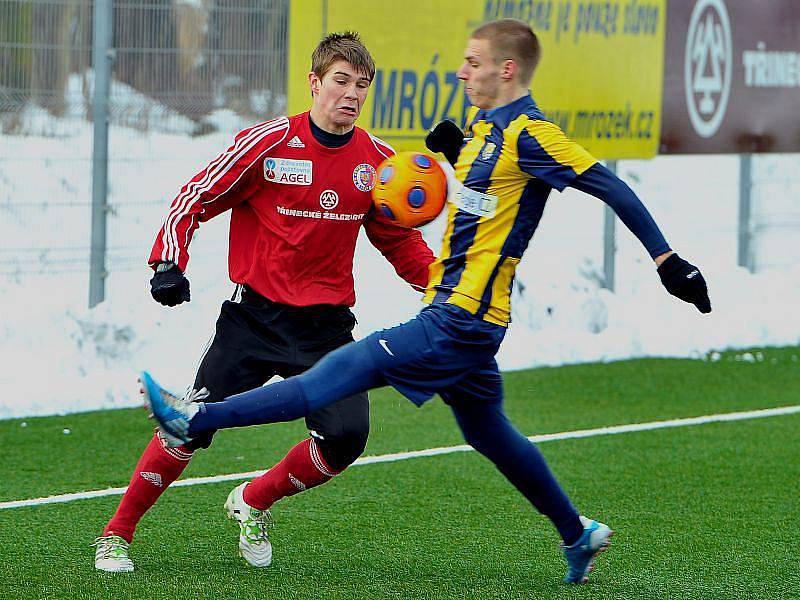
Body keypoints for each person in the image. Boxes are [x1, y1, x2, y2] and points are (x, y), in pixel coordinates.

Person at [142, 18, 712, 584]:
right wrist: (459, 155)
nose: (462, 70)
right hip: (462, 315)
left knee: (335, 375)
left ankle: (197, 416)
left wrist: (667, 260)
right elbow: (484, 212)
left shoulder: (533, 135)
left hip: (458, 318)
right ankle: (576, 533)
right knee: (488, 433)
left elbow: (608, 185)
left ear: (505, 69)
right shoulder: (485, 130)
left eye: (473, 62)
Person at [92, 32, 435, 573]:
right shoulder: (268, 143)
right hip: (252, 320)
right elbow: (197, 195)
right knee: (186, 424)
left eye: (362, 85)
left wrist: (441, 288)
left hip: (324, 331)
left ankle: (253, 502)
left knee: (346, 438)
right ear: (314, 82)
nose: (351, 95)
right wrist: (167, 262)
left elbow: (399, 240)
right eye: (341, 81)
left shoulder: (378, 163)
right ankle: (116, 535)